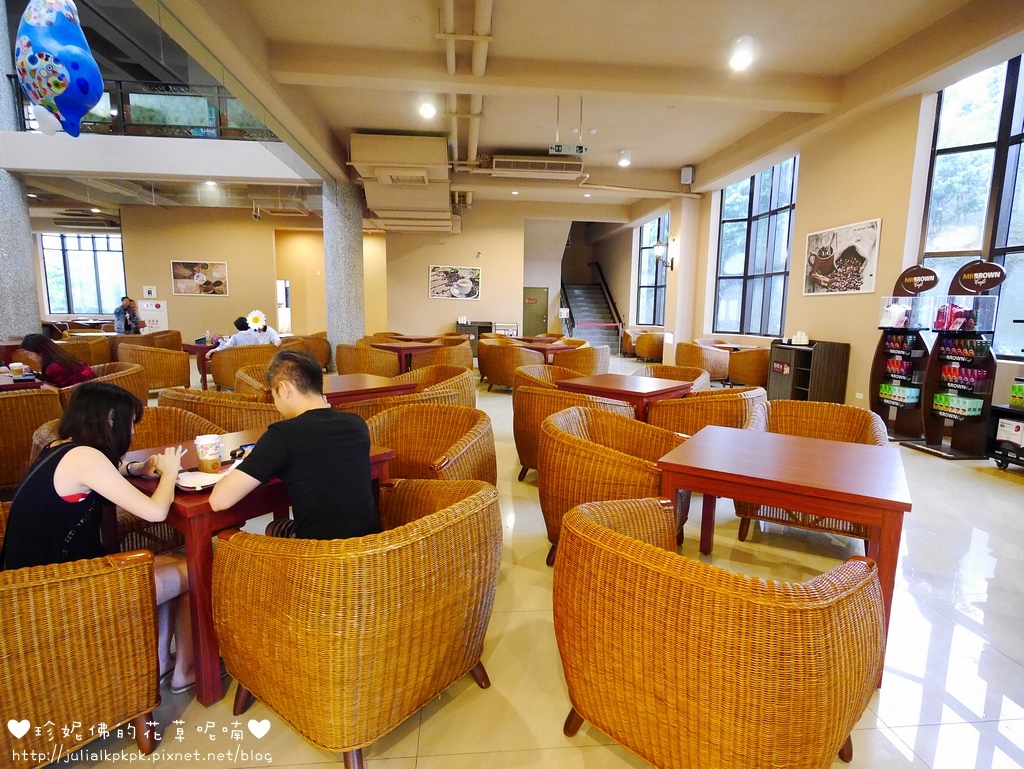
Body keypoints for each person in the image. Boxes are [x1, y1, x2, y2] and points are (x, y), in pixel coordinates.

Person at [0, 382, 195, 692]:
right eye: (130, 422)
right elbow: (156, 512)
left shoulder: (60, 447)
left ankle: (162, 662)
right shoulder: (86, 459)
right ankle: (186, 671)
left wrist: (137, 467)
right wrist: (170, 473)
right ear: (110, 420)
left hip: (29, 584)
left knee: (172, 563)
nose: (133, 431)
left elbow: (112, 468)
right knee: (195, 569)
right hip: (61, 595)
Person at [210, 349, 378, 539]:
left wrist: (247, 461)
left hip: (317, 552)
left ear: (284, 388)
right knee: (277, 527)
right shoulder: (357, 424)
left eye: (274, 395)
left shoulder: (283, 435)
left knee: (272, 529)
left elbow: (219, 501)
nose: (275, 402)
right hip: (367, 548)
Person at [19, 333, 96, 387]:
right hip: (92, 390)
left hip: (81, 397)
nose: (30, 357)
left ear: (41, 352)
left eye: (30, 354)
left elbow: (52, 390)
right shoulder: (62, 357)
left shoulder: (54, 367)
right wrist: (33, 374)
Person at [205, 314, 281, 360]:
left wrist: (213, 349)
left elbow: (225, 347)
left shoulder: (270, 331)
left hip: (256, 356)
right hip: (254, 358)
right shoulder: (252, 334)